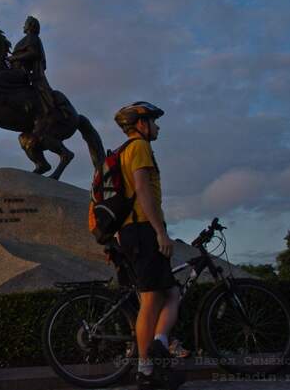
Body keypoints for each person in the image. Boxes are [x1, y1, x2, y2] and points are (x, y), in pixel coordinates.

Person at [113, 101, 184, 390]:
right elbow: (143, 190)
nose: (157, 127)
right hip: (143, 229)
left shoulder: (122, 152)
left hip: (132, 230)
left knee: (167, 294)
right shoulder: (139, 147)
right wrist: (160, 232)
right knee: (154, 299)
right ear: (140, 124)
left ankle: (157, 348)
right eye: (153, 121)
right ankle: (147, 365)